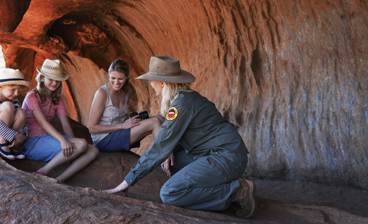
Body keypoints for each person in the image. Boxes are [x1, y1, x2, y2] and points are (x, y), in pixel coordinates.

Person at [102, 56, 256, 219]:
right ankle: (217, 186)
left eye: (152, 80)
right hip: (212, 153)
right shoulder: (184, 98)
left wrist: (128, 181)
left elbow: (160, 147)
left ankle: (237, 192)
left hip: (226, 156)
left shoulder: (180, 105)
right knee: (169, 165)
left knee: (170, 193)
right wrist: (171, 151)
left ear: (162, 82)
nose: (151, 84)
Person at [22, 59, 99, 183]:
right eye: (51, 79)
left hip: (47, 139)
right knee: (81, 144)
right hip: (32, 143)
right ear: (42, 78)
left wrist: (75, 147)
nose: (54, 83)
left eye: (57, 80)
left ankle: (59, 179)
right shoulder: (32, 96)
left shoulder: (57, 100)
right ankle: (42, 171)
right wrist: (64, 141)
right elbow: (43, 122)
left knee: (93, 150)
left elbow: (65, 124)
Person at [88, 59, 163, 152]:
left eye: (120, 79)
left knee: (161, 118)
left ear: (127, 76)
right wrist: (122, 126)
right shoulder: (102, 93)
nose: (116, 82)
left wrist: (133, 120)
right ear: (109, 75)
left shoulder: (127, 91)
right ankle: (165, 158)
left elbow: (122, 119)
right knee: (155, 122)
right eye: (113, 78)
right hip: (104, 139)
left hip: (120, 132)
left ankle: (176, 150)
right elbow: (92, 128)